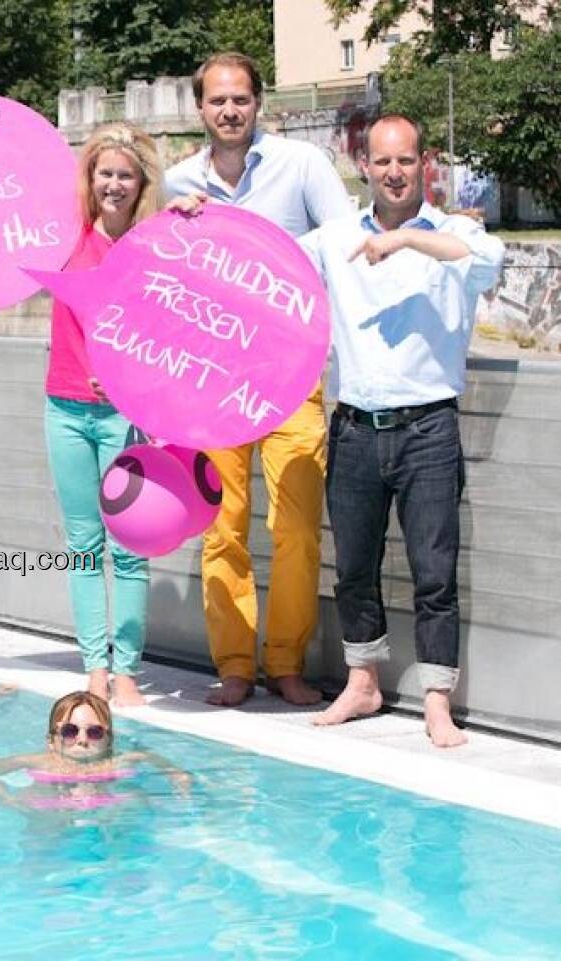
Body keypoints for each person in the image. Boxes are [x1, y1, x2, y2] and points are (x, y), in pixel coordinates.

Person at [299, 114, 503, 748]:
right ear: (365, 167)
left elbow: (479, 260)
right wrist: (194, 218)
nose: (394, 172)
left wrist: (408, 242)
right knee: (354, 568)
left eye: (406, 161)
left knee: (434, 572)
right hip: (356, 428)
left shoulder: (456, 232)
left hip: (429, 431)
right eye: (382, 162)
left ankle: (437, 698)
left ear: (426, 164)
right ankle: (363, 683)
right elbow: (265, 262)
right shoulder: (333, 238)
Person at [165, 52, 355, 707]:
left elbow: (346, 241)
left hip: (292, 370)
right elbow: (158, 284)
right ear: (200, 109)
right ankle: (237, 664)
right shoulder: (175, 183)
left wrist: (261, 245)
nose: (229, 110)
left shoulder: (302, 166)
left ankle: (288, 662)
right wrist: (180, 229)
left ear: (257, 102)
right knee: (222, 527)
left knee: (298, 528)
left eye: (240, 99)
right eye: (216, 101)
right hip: (211, 379)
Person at [44, 122, 165, 707]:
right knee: (84, 544)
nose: (114, 183)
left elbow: (167, 338)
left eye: (125, 174)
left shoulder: (153, 248)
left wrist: (127, 379)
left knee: (129, 547)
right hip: (64, 408)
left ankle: (127, 672)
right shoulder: (64, 237)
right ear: (90, 179)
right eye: (105, 172)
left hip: (124, 416)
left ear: (141, 181)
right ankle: (95, 667)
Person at [0, 691, 189, 811]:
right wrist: (5, 797)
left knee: (134, 801)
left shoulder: (119, 761)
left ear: (109, 740)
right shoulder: (39, 762)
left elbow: (155, 760)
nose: (82, 740)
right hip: (50, 811)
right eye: (69, 731)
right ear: (51, 740)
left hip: (103, 810)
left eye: (95, 732)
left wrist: (178, 776)